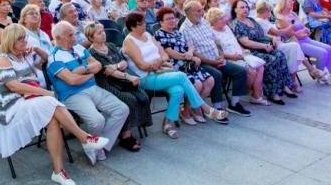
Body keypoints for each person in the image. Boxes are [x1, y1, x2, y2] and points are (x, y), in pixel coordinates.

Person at [0, 24, 109, 185]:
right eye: (21, 39)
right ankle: (85, 138)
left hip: (31, 100)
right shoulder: (2, 59)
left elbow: (47, 59)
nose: (25, 42)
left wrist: (37, 50)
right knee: (50, 101)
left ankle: (58, 172)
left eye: (25, 38)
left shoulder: (24, 55)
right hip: (12, 107)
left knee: (52, 119)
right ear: (11, 41)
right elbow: (14, 86)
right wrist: (45, 92)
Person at [124, 12, 228, 138]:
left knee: (178, 90)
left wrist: (159, 62)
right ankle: (205, 108)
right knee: (181, 76)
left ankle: (167, 124)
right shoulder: (129, 41)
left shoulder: (147, 35)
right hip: (146, 78)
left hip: (161, 72)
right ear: (132, 27)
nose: (145, 25)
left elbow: (164, 55)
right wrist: (159, 62)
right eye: (141, 24)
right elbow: (142, 66)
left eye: (145, 23)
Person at [47, 21, 129, 165]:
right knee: (97, 120)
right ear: (58, 38)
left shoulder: (78, 48)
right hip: (72, 95)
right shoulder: (54, 57)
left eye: (74, 34)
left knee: (122, 109)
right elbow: (72, 80)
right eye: (70, 35)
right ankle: (93, 145)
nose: (75, 38)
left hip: (93, 88)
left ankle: (97, 145)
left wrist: (82, 70)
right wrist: (90, 72)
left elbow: (97, 65)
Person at [180, 0, 250, 116]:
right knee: (217, 74)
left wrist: (221, 55)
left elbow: (216, 40)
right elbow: (194, 53)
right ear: (190, 13)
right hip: (203, 62)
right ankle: (217, 107)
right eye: (198, 10)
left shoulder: (203, 21)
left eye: (202, 9)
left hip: (217, 58)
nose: (202, 12)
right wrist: (212, 62)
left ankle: (234, 104)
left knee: (240, 71)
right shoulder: (185, 29)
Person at [86, 22, 150, 150]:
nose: (103, 34)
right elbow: (107, 72)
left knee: (143, 96)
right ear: (91, 38)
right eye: (99, 33)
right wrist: (128, 76)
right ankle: (125, 136)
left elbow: (124, 62)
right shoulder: (91, 53)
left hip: (122, 79)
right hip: (107, 83)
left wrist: (116, 66)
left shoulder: (110, 46)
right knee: (129, 99)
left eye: (103, 31)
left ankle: (135, 124)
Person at [266, 0, 331, 86]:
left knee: (329, 48)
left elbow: (302, 26)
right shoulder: (281, 18)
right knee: (322, 53)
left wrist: (305, 29)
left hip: (306, 39)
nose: (292, 3)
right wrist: (301, 33)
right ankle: (320, 76)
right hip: (297, 43)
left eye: (292, 2)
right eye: (289, 2)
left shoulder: (293, 14)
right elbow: (291, 35)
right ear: (283, 4)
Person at [231, 0, 294, 105]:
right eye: (242, 7)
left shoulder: (251, 19)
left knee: (280, 55)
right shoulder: (236, 23)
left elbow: (261, 34)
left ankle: (283, 86)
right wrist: (264, 46)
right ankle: (272, 92)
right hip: (250, 51)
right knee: (272, 59)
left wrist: (272, 37)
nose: (245, 9)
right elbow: (245, 42)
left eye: (246, 7)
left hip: (263, 46)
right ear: (235, 10)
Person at [206, 7, 269, 105]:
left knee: (260, 66)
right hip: (230, 58)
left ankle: (256, 96)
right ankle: (248, 92)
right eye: (221, 19)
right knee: (251, 71)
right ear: (214, 21)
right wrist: (232, 57)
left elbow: (235, 41)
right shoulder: (210, 33)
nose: (225, 20)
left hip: (241, 54)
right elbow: (218, 53)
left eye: (224, 17)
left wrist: (243, 50)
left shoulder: (226, 27)